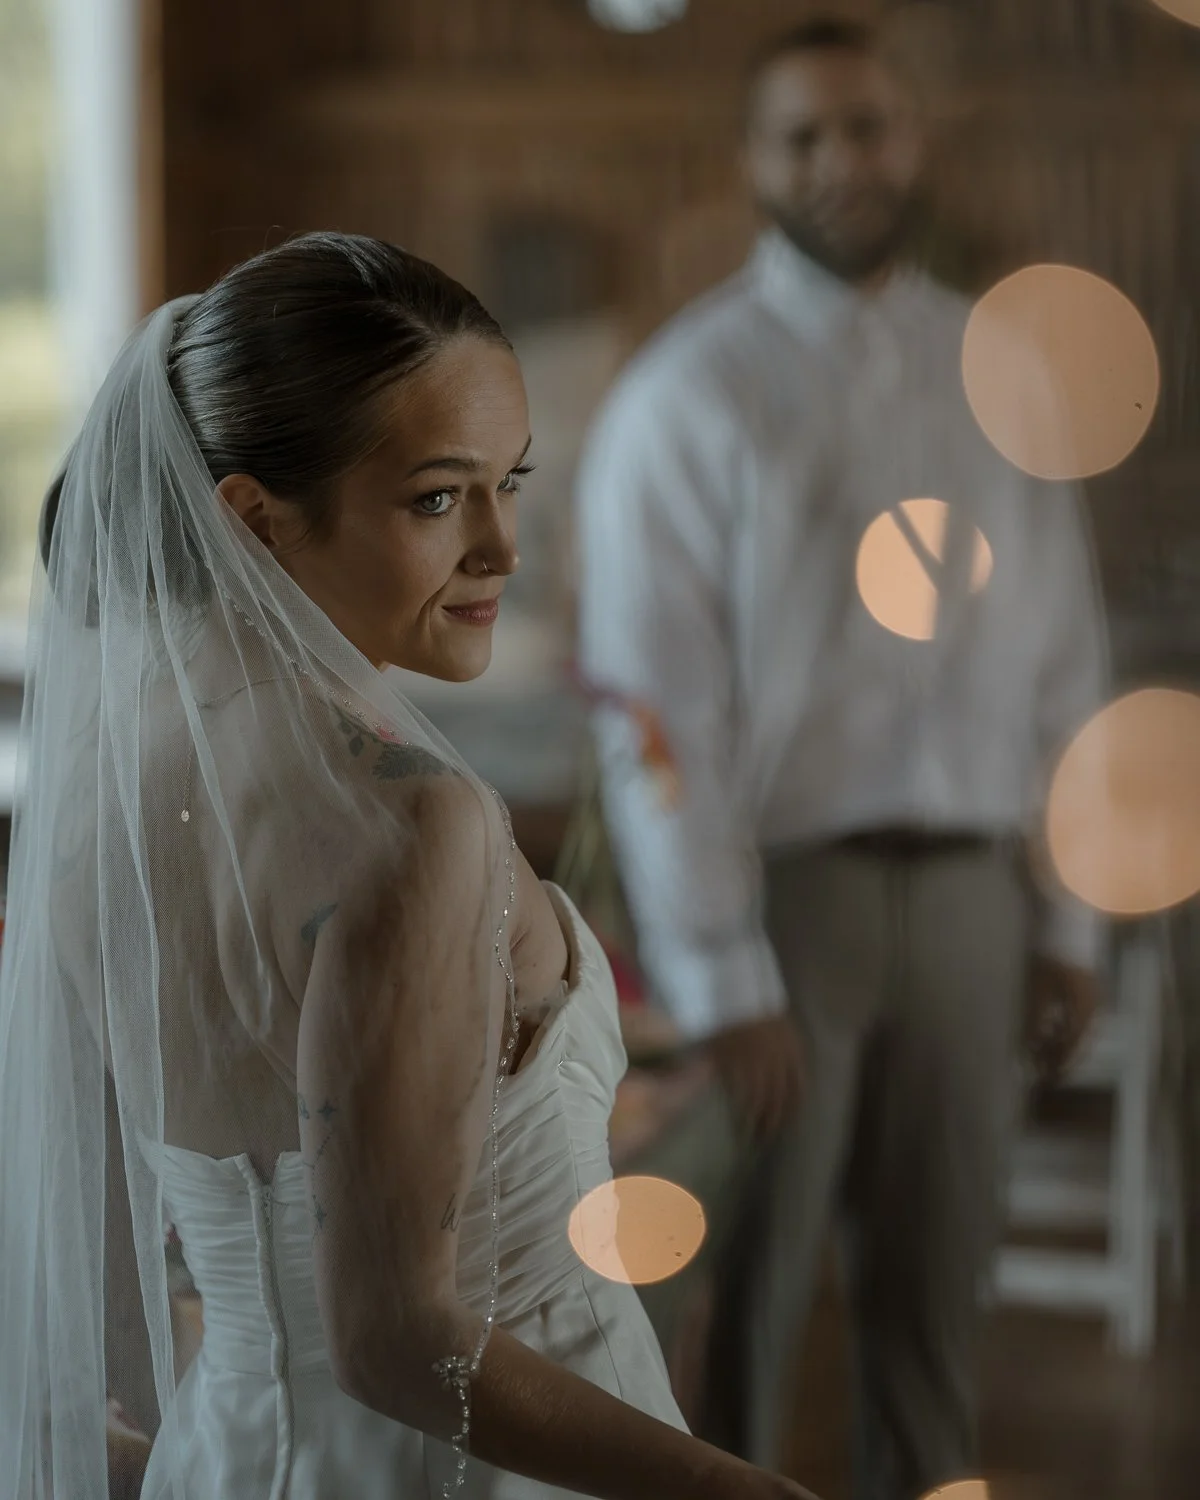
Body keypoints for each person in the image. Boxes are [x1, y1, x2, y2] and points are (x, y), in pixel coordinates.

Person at [0, 233, 820, 1500]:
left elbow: (118, 1282)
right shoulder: (411, 823)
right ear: (256, 521)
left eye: (512, 484)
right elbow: (394, 1341)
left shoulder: (90, 819)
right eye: (439, 498)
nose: (502, 547)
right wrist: (745, 1491)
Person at [575, 19, 1106, 1500]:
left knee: (937, 1311)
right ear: (753, 160)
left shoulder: (1004, 374)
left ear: (912, 140)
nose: (840, 161)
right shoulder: (690, 394)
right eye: (801, 135)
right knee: (747, 1304)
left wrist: (1068, 918)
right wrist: (722, 977)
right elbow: (655, 714)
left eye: (866, 127)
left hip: (972, 896)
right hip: (780, 901)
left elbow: (1064, 657)